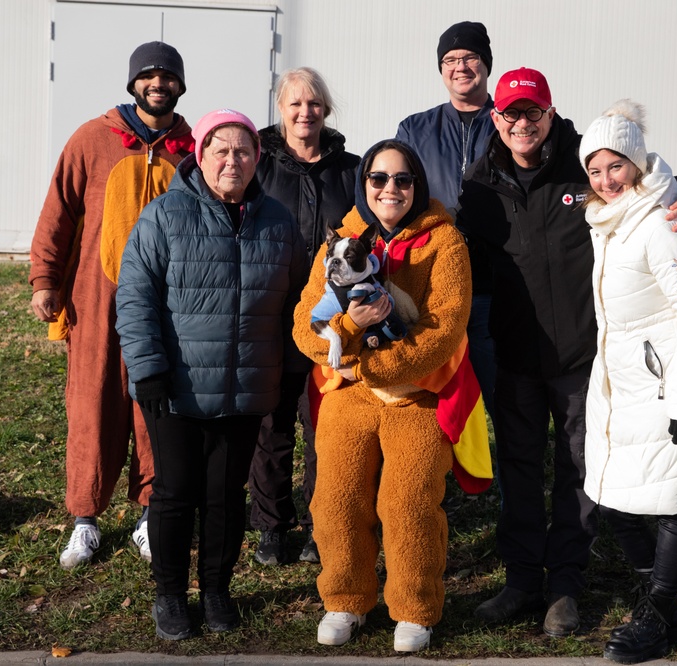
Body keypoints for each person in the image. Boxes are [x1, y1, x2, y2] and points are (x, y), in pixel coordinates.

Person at [456, 67, 677, 636]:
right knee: (519, 470)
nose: (522, 124)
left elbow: (661, 187)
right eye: (510, 114)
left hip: (583, 355)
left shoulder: (586, 161)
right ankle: (522, 579)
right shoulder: (478, 187)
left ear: (550, 114)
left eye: (532, 113)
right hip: (516, 354)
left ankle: (564, 587)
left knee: (579, 468)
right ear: (495, 119)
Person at [115, 109, 307, 640]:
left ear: (257, 160)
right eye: (220, 149)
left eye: (243, 151)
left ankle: (218, 590)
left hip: (248, 387)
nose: (232, 160)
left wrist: (290, 372)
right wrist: (148, 368)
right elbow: (134, 297)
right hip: (175, 390)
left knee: (226, 496)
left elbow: (298, 302)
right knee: (176, 492)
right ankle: (171, 595)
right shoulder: (164, 216)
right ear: (199, 155)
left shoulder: (278, 221)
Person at [292, 140, 488, 653]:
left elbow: (445, 328)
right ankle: (345, 599)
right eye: (378, 178)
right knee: (335, 498)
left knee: (408, 503)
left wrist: (373, 364)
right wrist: (346, 328)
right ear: (364, 185)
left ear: (417, 186)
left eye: (402, 179)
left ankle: (415, 607)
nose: (390, 188)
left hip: (419, 391)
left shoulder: (445, 242)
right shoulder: (340, 241)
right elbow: (303, 326)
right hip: (348, 392)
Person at [28, 41, 194, 569]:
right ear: (132, 84)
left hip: (167, 308)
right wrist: (44, 280)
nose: (157, 84)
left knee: (155, 408)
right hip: (96, 300)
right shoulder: (91, 140)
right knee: (92, 403)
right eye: (148, 76)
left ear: (179, 85)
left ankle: (150, 513)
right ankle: (84, 520)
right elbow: (58, 212)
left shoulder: (192, 149)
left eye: (167, 76)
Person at [578, 100, 677, 664]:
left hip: (665, 388)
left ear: (635, 163)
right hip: (621, 386)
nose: (606, 180)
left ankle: (656, 611)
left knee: (672, 503)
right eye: (594, 170)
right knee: (613, 500)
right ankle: (666, 610)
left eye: (615, 166)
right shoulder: (608, 221)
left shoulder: (664, 220)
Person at [248, 67, 361, 566]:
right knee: (270, 429)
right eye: (295, 104)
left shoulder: (350, 169)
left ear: (326, 110)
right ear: (280, 109)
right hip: (272, 315)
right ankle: (271, 526)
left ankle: (322, 524)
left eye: (314, 104)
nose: (305, 113)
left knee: (325, 428)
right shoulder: (257, 164)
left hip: (330, 321)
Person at [396, 20, 498, 423]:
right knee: (429, 402)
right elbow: (394, 192)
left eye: (470, 57)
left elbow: (585, 158)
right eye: (450, 59)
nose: (460, 66)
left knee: (501, 400)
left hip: (495, 284)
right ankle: (432, 482)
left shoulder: (512, 123)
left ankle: (509, 482)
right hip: (434, 286)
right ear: (441, 70)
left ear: (486, 64)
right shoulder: (415, 129)